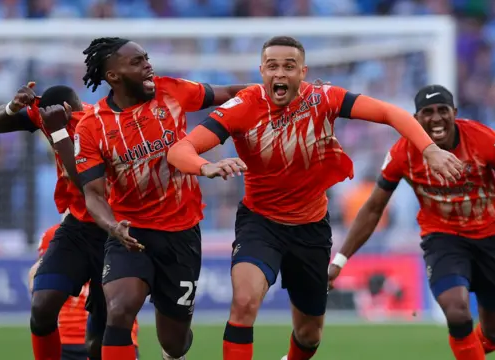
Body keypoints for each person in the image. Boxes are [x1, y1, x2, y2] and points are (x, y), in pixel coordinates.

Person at [166, 36, 463, 360]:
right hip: (260, 224)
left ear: (303, 72)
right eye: (273, 66)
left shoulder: (324, 98)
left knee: (309, 335)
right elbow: (180, 150)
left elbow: (389, 112)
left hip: (311, 229)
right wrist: (205, 167)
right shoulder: (243, 107)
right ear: (262, 70)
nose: (280, 73)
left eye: (289, 66)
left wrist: (430, 149)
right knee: (244, 302)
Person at [327, 85, 495, 360]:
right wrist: (340, 260)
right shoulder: (403, 152)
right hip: (442, 238)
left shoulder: (484, 140)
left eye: (442, 110)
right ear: (416, 119)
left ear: (455, 113)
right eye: (428, 112)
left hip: (490, 239)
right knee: (456, 310)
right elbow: (372, 209)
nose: (436, 118)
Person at [73, 37, 250, 360]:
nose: (148, 66)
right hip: (130, 233)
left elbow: (230, 95)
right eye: (137, 62)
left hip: (181, 233)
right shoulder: (91, 127)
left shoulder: (172, 90)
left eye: (147, 58)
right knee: (120, 309)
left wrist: (280, 92)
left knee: (174, 342)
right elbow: (94, 195)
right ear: (113, 76)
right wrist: (112, 227)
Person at [0, 84, 109, 360]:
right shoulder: (50, 116)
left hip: (111, 229)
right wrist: (13, 106)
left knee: (96, 343)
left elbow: (88, 186)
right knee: (42, 307)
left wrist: (57, 131)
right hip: (77, 227)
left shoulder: (98, 126)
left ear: (65, 111)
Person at [29, 224, 140, 360]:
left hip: (112, 333)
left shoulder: (129, 228)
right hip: (68, 337)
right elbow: (37, 274)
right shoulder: (57, 234)